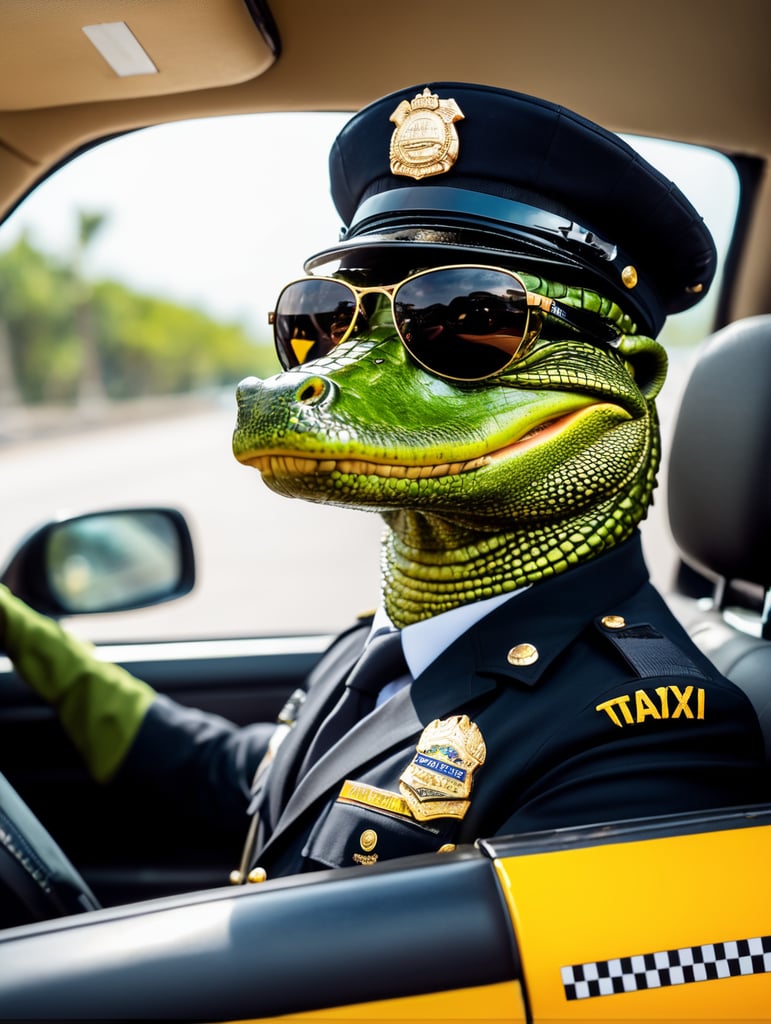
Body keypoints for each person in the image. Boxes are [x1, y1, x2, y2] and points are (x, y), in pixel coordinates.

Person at [0, 82, 767, 882]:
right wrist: (26, 633)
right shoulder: (386, 642)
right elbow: (259, 786)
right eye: (324, 321)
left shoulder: (653, 733)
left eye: (466, 317)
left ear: (630, 377)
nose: (322, 369)